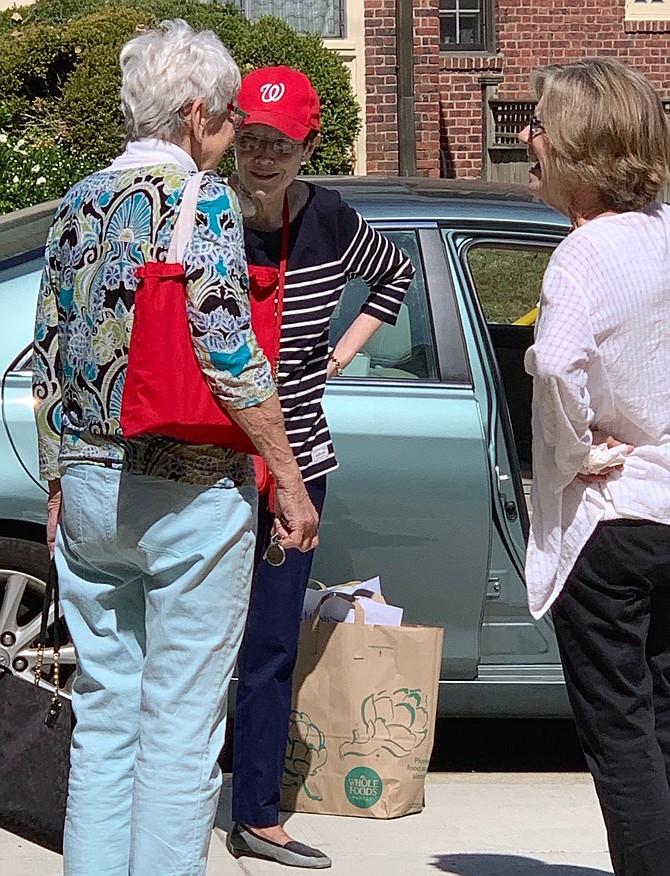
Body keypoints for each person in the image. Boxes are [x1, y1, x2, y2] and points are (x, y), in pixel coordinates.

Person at [32, 21, 318, 876]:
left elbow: (48, 351)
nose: (234, 135)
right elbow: (230, 350)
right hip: (188, 490)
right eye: (230, 118)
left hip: (87, 489)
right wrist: (290, 483)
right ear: (196, 116)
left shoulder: (75, 202)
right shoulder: (204, 201)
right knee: (183, 728)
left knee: (106, 715)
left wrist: (57, 479)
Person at [226, 66, 415, 868]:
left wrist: (340, 351)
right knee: (191, 645)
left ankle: (256, 813)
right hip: (205, 460)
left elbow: (396, 274)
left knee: (269, 643)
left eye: (282, 143)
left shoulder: (333, 220)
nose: (264, 157)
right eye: (252, 138)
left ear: (309, 147)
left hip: (298, 461)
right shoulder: (207, 213)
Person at [519, 58, 670, 876]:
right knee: (665, 724)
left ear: (579, 145)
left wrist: (576, 453)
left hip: (612, 524)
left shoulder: (583, 255)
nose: (525, 138)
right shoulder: (666, 232)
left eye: (538, 125)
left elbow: (554, 365)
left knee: (620, 734)